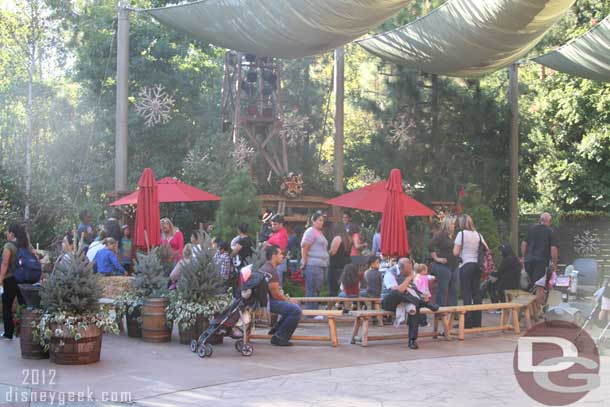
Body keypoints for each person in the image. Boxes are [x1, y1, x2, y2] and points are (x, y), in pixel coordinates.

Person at [381, 257, 439, 350]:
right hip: (389, 303)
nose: (410, 272)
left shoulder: (410, 272)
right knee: (396, 292)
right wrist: (408, 278)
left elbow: (413, 289)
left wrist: (422, 295)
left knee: (414, 307)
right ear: (400, 269)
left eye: (411, 270)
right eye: (407, 271)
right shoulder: (390, 273)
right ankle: (423, 303)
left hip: (407, 300)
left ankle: (412, 340)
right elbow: (399, 290)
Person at [259, 245, 302, 346]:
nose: (282, 256)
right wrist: (288, 300)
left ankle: (276, 330)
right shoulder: (271, 271)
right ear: (274, 256)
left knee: (291, 308)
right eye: (280, 254)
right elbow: (276, 295)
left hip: (265, 301)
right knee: (295, 310)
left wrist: (287, 300)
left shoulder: (266, 267)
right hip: (268, 303)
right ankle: (280, 337)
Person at [453, 214, 489, 329]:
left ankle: (467, 322)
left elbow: (455, 252)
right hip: (477, 266)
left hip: (465, 265)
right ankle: (477, 322)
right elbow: (486, 248)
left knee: (467, 294)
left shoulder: (461, 234)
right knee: (476, 294)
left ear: (462, 223)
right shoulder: (478, 235)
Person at [0, 224, 31, 339]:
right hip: (23, 279)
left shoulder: (9, 245)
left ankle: (8, 333)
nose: (6, 235)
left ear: (11, 234)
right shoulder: (25, 245)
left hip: (10, 279)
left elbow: (5, 263)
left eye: (7, 233)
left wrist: (0, 278)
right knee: (24, 306)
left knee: (7, 307)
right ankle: (27, 331)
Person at [521, 212, 559, 288]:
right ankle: (537, 298)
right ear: (550, 221)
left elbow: (524, 244)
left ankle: (532, 297)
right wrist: (554, 264)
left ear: (540, 220)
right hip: (541, 263)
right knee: (538, 287)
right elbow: (553, 249)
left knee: (531, 285)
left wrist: (523, 257)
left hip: (528, 261)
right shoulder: (550, 231)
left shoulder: (531, 229)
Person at [428, 216, 459, 307]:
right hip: (443, 266)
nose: (454, 226)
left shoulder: (454, 235)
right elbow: (430, 245)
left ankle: (454, 312)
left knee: (454, 289)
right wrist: (436, 258)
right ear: (448, 224)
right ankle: (440, 311)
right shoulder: (441, 234)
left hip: (454, 265)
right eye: (453, 224)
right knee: (443, 289)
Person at [300, 212, 329, 309]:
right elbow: (304, 246)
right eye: (319, 220)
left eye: (322, 221)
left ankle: (314, 311)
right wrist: (304, 261)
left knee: (317, 289)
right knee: (312, 289)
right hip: (313, 264)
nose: (322, 223)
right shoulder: (310, 231)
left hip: (321, 265)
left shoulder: (319, 232)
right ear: (313, 221)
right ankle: (311, 312)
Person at [328, 225, 353, 296]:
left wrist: (326, 252)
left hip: (336, 267)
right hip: (346, 266)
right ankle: (343, 306)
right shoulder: (349, 238)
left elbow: (333, 252)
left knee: (333, 290)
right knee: (344, 289)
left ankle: (329, 307)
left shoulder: (337, 238)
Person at [266, 214, 288, 286]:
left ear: (281, 224)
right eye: (272, 224)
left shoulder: (282, 234)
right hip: (273, 262)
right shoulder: (276, 233)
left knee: (277, 283)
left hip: (278, 262)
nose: (273, 226)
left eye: (275, 224)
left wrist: (267, 245)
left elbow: (279, 250)